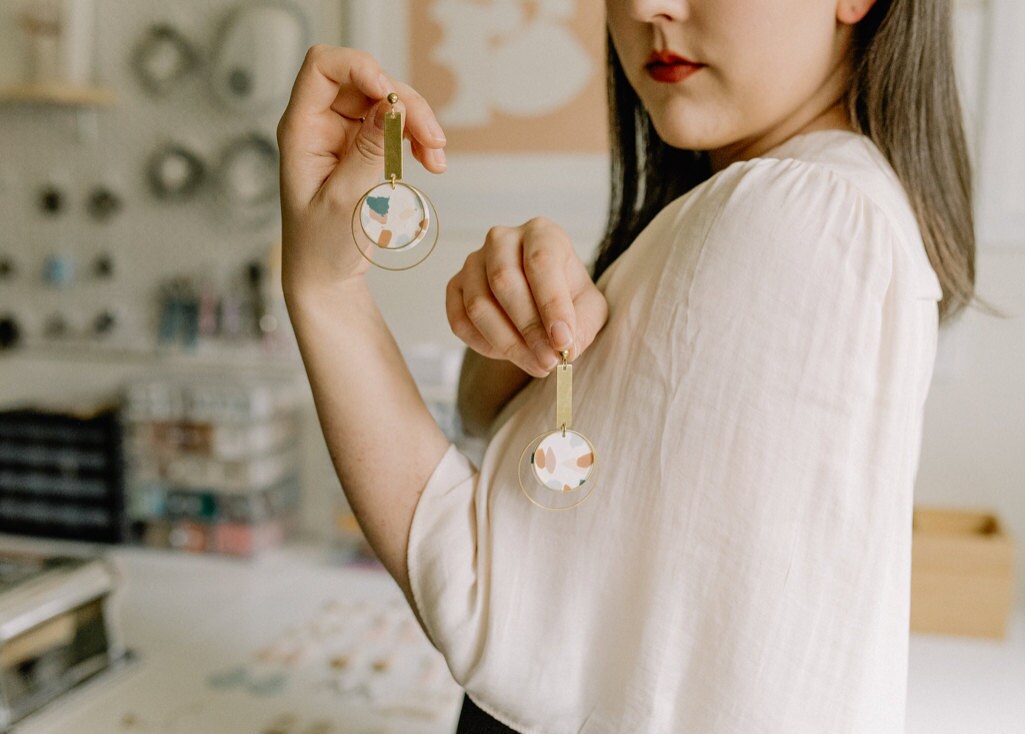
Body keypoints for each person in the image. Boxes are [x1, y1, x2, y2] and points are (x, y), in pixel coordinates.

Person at [276, 0, 987, 731]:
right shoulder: (796, 203)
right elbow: (515, 452)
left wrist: (324, 289)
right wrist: (524, 336)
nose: (649, 5)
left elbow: (491, 600)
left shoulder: (800, 216)